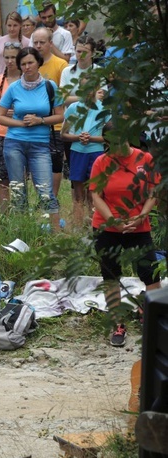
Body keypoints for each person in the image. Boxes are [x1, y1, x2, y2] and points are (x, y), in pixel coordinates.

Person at [89, 123, 162, 346]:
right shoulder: (101, 162)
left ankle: (151, 317)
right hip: (107, 226)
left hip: (138, 226)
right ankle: (117, 323)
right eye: (111, 143)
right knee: (111, 275)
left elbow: (153, 192)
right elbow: (96, 195)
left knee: (150, 273)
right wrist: (112, 220)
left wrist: (141, 215)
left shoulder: (145, 159)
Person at [0, 47, 63, 230]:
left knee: (45, 191)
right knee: (18, 191)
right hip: (15, 142)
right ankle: (22, 232)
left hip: (40, 144)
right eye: (23, 64)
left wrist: (39, 120)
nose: (27, 67)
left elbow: (60, 116)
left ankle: (56, 234)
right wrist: (21, 124)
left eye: (30, 62)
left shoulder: (50, 86)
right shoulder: (14, 87)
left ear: (38, 62)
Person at [61, 85, 108, 229]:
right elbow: (63, 134)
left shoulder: (105, 108)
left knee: (94, 191)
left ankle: (95, 224)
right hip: (77, 150)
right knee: (78, 191)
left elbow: (109, 136)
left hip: (96, 152)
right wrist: (77, 137)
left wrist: (92, 138)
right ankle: (78, 225)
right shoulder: (74, 107)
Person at [32, 27, 68, 196]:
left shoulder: (61, 65)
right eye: (35, 42)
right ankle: (40, 196)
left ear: (51, 43)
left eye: (42, 42)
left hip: (55, 123)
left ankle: (52, 197)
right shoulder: (29, 63)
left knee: (54, 162)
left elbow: (65, 96)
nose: (38, 46)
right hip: (33, 124)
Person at [0, 42, 21, 210]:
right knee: (3, 178)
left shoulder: (27, 81)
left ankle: (21, 213)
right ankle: (4, 214)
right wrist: (2, 114)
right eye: (6, 57)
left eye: (13, 57)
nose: (10, 61)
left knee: (20, 179)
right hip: (0, 134)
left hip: (22, 133)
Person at [0, 12, 30, 77]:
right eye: (9, 25)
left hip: (20, 79)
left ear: (20, 25)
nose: (12, 29)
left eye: (15, 25)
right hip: (0, 78)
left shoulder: (27, 42)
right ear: (5, 25)